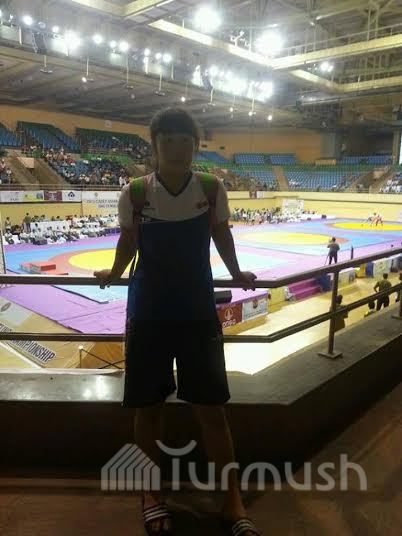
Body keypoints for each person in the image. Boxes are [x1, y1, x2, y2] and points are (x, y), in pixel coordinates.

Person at [94, 108, 259, 536]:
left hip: (197, 313)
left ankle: (232, 501)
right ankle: (151, 495)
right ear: (154, 145)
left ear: (196, 146)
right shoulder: (135, 193)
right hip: (148, 313)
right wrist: (114, 272)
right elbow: (128, 241)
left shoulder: (211, 187)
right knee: (148, 411)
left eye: (186, 140)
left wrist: (237, 272)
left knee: (212, 411)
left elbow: (221, 234)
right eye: (168, 140)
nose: (177, 148)